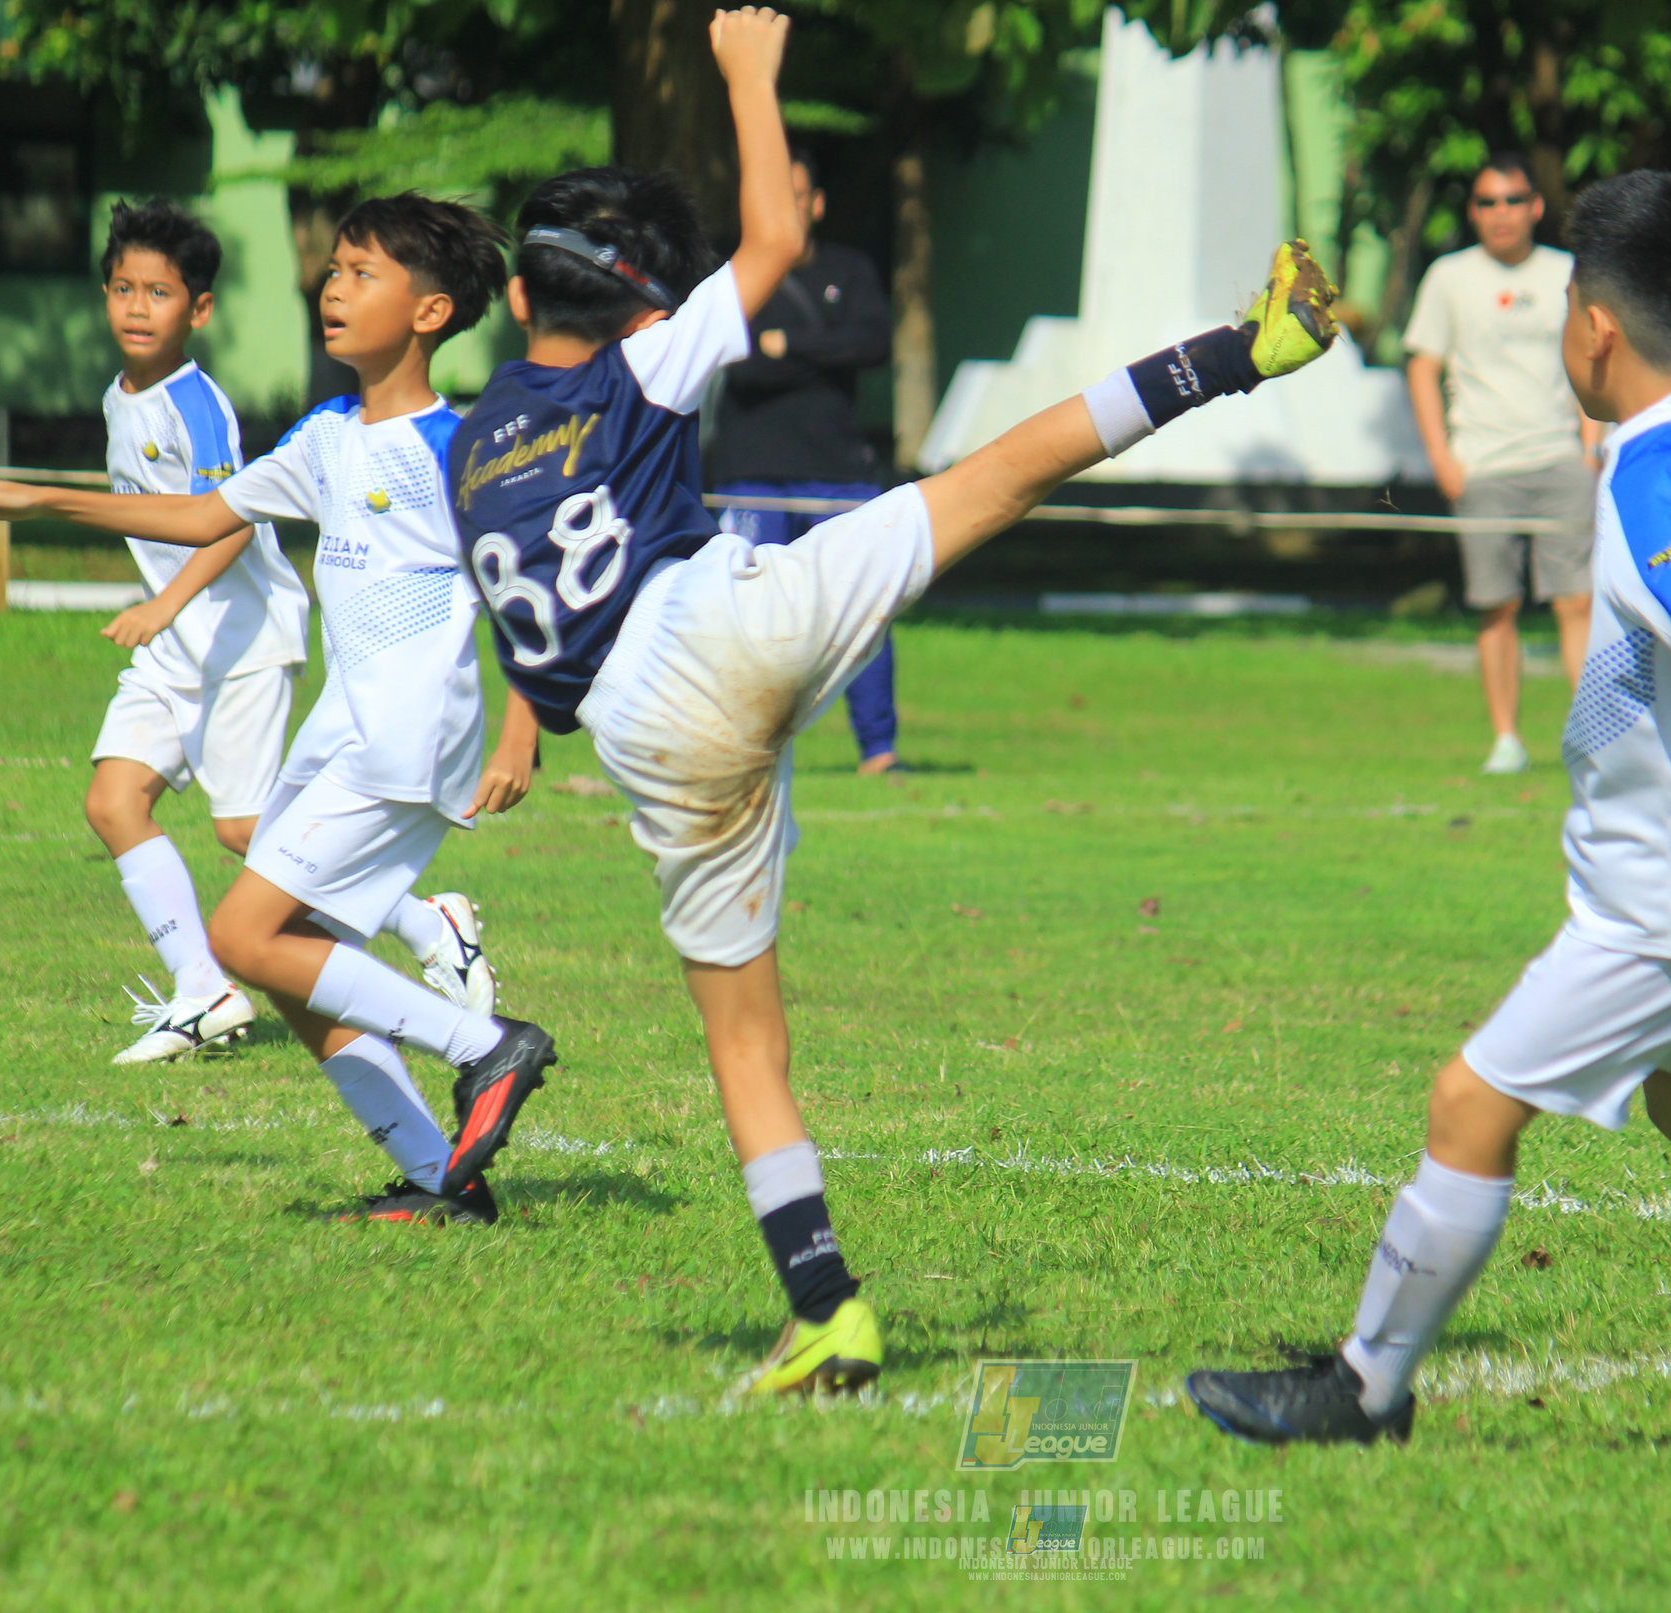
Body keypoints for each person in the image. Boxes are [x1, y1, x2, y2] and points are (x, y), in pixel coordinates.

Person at [447, 8, 1343, 1401]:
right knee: (993, 476)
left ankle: (826, 1308)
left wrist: (522, 722)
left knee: (744, 1038)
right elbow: (773, 249)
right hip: (732, 617)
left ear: (513, 306)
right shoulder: (639, 365)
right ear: (641, 307)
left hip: (643, 730)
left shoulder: (468, 448)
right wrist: (750, 75)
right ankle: (1239, 352)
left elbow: (528, 630)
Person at [1184, 171, 1671, 1449]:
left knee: (1468, 1103)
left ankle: (1365, 1385)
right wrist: (1594, 747)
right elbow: (1651, 653)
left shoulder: (1649, 479)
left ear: (1593, 328)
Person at [0, 193, 549, 1227]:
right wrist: (38, 498)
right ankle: (437, 1176)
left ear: (432, 312)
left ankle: (484, 1044)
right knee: (291, 962)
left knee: (242, 932)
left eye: (363, 272)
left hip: (408, 736)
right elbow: (198, 515)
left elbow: (527, 583)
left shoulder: (458, 446)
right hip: (342, 728)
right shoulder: (325, 434)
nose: (334, 287)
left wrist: (522, 729)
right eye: (335, 269)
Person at [77, 199, 308, 1064]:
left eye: (160, 292)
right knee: (113, 800)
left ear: (198, 309)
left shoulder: (196, 404)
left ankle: (430, 921)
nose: (138, 307)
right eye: (124, 289)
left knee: (249, 834)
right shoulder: (118, 396)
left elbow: (237, 520)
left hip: (238, 640)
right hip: (174, 651)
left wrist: (163, 605)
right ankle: (202, 987)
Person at [1404, 152, 1604, 775]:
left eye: (1513, 201)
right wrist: (1441, 455)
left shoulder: (1568, 273)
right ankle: (1507, 739)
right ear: (1474, 213)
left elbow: (1594, 359)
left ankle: (1591, 738)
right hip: (1482, 463)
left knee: (1577, 601)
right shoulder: (1449, 277)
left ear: (1536, 207)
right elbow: (1423, 365)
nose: (1501, 214)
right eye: (1487, 203)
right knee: (1497, 605)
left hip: (1559, 458)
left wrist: (1592, 441)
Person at [706, 143, 900, 773]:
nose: (784, 209)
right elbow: (742, 366)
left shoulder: (853, 268)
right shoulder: (732, 278)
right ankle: (737, 749)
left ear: (815, 205)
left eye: (794, 196)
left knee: (864, 608)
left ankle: (879, 750)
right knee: (744, 617)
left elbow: (873, 342)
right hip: (751, 471)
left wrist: (788, 342)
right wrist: (817, 351)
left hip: (837, 470)